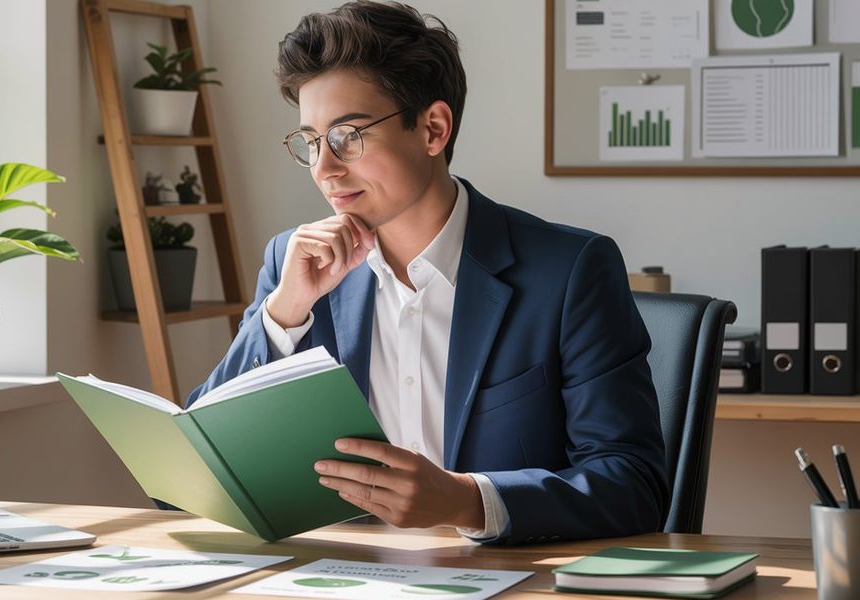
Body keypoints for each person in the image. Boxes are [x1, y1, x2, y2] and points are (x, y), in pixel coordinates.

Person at [186, 1, 668, 545]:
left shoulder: (569, 271)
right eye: (313, 141)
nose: (324, 168)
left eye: (348, 134)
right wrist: (282, 316)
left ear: (433, 129)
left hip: (508, 580)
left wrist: (468, 501)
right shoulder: (294, 265)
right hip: (344, 577)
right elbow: (196, 471)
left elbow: (634, 486)